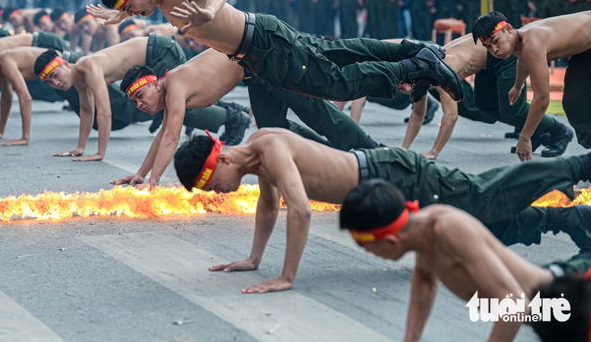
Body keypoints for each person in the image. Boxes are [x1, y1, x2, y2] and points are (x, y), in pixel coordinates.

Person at [173, 127, 591, 293]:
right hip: (382, 183)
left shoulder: (271, 148)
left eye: (212, 184)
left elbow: (298, 211)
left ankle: (576, 166)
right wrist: (253, 258)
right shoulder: (257, 158)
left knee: (481, 195)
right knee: (474, 227)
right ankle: (565, 220)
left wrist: (286, 276)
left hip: (395, 172)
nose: (219, 193)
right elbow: (268, 205)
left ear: (222, 159)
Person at [91, 0, 465, 104]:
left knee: (337, 84)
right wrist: (116, 17)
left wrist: (208, 10)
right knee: (336, 53)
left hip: (264, 43)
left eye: (129, 7)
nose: (134, 14)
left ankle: (417, 68)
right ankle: (410, 50)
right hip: (257, 49)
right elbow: (140, 2)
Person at [339, 179, 591, 342]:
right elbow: (425, 277)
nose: (368, 253)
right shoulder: (423, 235)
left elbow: (514, 306)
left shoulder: (448, 229)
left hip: (571, 310)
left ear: (390, 241)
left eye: (366, 246)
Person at [116, 48, 379, 188]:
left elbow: (172, 137)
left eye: (140, 95)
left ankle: (374, 153)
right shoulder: (169, 91)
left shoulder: (174, 86)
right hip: (256, 74)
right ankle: (336, 159)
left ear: (155, 85)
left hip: (269, 60)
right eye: (134, 102)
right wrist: (140, 174)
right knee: (275, 131)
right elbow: (164, 134)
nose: (140, 104)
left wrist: (152, 183)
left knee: (318, 114)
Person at [34, 37, 249, 161]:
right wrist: (80, 148)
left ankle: (233, 117)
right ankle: (231, 111)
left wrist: (100, 153)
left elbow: (104, 111)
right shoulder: (79, 79)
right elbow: (87, 111)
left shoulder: (88, 67)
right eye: (50, 83)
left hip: (160, 52)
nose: (56, 84)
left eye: (55, 76)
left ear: (64, 63)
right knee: (175, 108)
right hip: (153, 55)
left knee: (177, 107)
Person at [402, 34, 573, 160]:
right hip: (485, 59)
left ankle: (560, 131)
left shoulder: (438, 73)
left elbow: (451, 115)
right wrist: (403, 149)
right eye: (402, 87)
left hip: (501, 55)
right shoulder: (416, 74)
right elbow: (418, 113)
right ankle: (535, 131)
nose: (407, 89)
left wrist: (434, 152)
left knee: (512, 110)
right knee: (483, 104)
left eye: (406, 85)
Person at [472, 11, 591, 158]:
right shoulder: (518, 42)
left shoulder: (531, 43)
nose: (494, 50)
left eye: (496, 41)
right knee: (574, 103)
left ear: (509, 29)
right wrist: (517, 86)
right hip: (585, 52)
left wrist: (525, 137)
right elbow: (522, 61)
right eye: (488, 47)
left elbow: (542, 98)